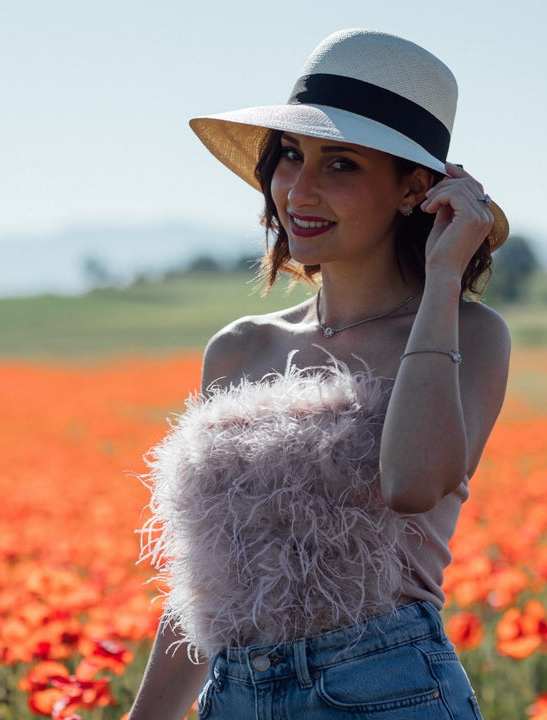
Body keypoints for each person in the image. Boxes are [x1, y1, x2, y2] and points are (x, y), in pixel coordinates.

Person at [129, 28, 510, 720]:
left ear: (414, 190)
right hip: (234, 694)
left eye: (340, 165)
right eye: (290, 157)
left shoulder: (472, 334)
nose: (297, 190)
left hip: (388, 689)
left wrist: (445, 277)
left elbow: (413, 485)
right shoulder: (240, 350)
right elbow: (210, 584)